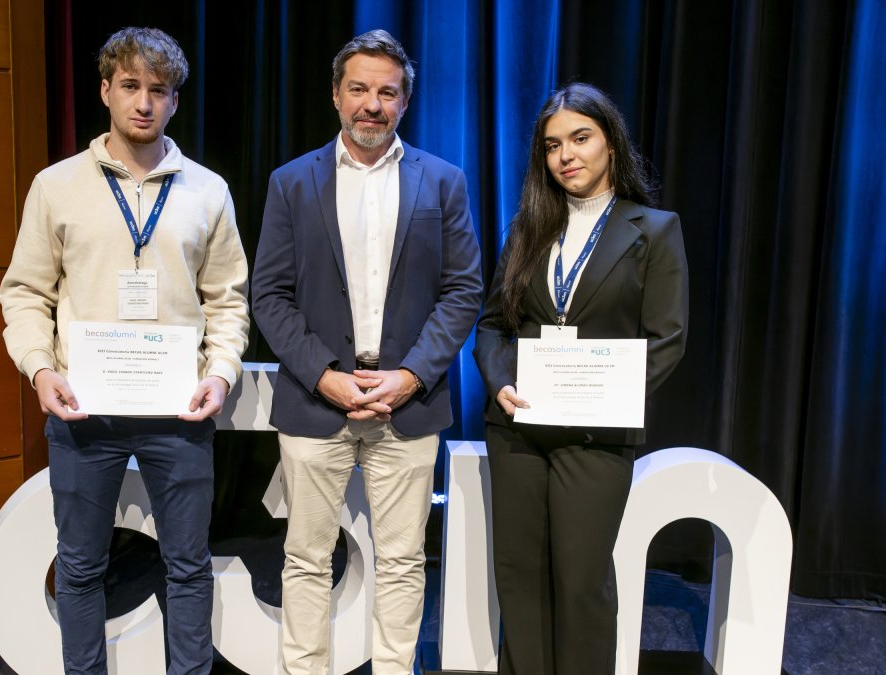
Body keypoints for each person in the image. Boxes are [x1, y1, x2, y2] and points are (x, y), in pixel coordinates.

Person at [0, 27, 249, 675]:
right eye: (131, 85)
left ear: (174, 101)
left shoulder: (208, 191)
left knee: (188, 565)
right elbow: (25, 292)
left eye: (158, 90)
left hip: (179, 412)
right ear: (105, 89)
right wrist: (40, 368)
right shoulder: (56, 186)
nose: (144, 102)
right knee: (80, 567)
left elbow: (228, 300)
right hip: (84, 409)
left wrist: (221, 373)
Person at [252, 29, 483, 675]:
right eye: (359, 89)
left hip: (407, 403)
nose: (372, 105)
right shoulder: (291, 182)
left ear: (405, 101)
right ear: (336, 95)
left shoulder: (444, 181)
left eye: (387, 92)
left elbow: (464, 290)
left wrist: (411, 375)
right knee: (305, 558)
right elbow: (268, 294)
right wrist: (323, 376)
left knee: (404, 560)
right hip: (315, 401)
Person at [474, 82, 688, 674]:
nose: (566, 155)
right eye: (552, 145)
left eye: (580, 138)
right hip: (519, 426)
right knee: (518, 575)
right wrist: (500, 383)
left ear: (610, 143)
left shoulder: (654, 229)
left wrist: (605, 396)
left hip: (597, 433)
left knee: (581, 579)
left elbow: (667, 338)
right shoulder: (528, 227)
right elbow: (492, 326)